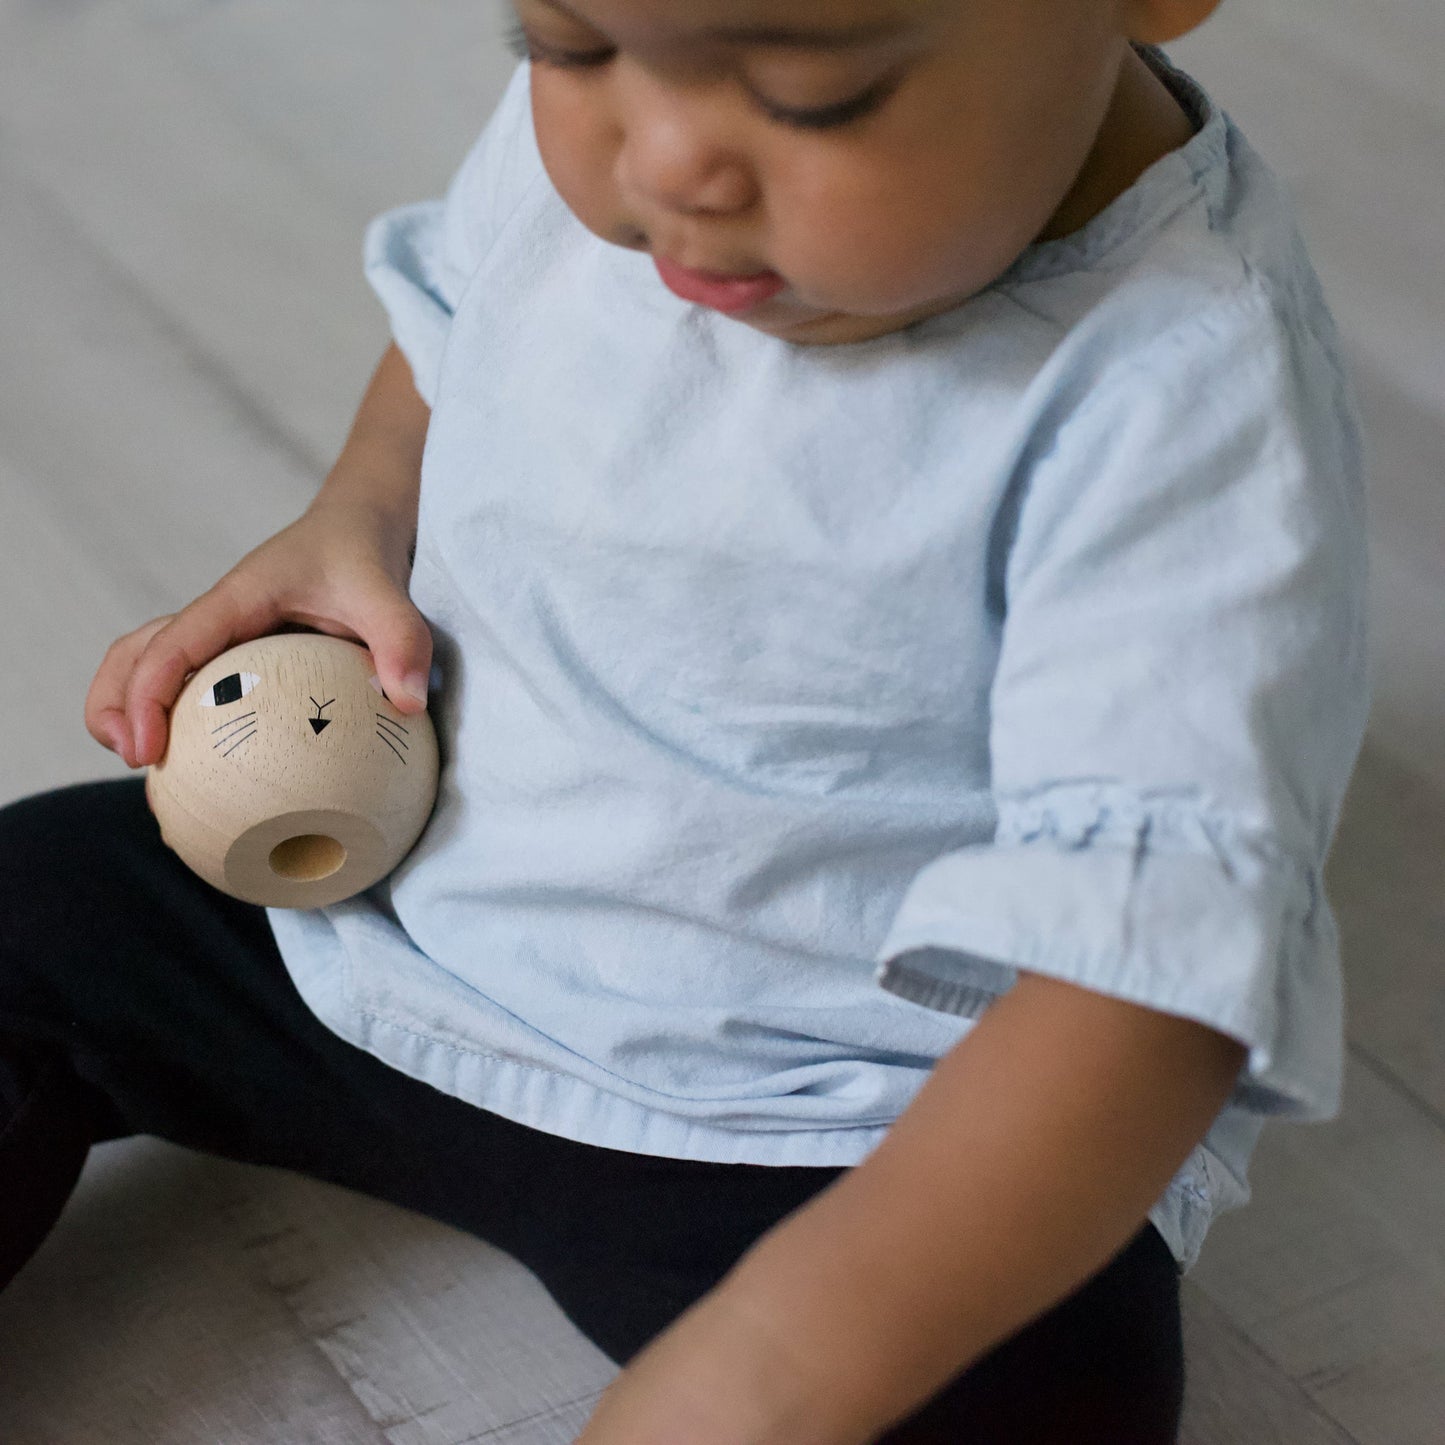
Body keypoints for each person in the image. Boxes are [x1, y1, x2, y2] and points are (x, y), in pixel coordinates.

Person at [0, 0, 1371, 1440]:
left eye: (807, 96)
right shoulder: (650, 104)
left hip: (819, 1130)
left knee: (1029, 1394)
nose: (657, 165)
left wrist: (769, 1363)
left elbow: (1144, 998)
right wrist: (360, 508)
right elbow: (460, 314)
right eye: (564, 46)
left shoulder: (1184, 408)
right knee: (32, 905)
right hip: (389, 925)